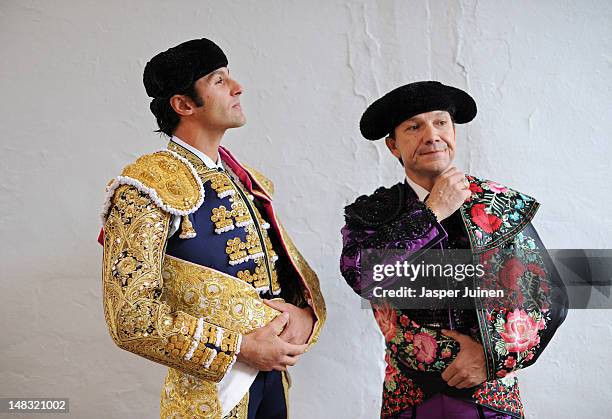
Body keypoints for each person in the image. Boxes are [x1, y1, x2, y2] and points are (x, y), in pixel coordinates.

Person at [99, 38, 325, 419]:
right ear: (184, 105)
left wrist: (303, 316)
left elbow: (288, 277)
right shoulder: (146, 186)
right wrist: (239, 349)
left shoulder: (247, 180)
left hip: (273, 378)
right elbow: (130, 317)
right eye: (219, 80)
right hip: (210, 387)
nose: (238, 87)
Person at [340, 81, 567, 418]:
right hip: (409, 395)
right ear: (392, 146)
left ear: (454, 134)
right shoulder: (374, 211)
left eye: (441, 122)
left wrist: (489, 358)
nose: (431, 135)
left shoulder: (496, 204)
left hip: (489, 393)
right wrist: (432, 212)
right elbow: (363, 275)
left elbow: (551, 298)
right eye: (414, 127)